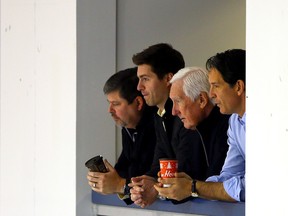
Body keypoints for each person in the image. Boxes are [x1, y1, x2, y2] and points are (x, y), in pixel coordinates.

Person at [155, 49, 246, 202]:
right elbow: (228, 177)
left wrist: (193, 187)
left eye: (216, 86)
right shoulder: (235, 122)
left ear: (238, 86)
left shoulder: (268, 122)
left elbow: (254, 186)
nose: (211, 94)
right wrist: (190, 186)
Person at [129, 43, 211, 207]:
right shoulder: (160, 116)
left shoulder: (189, 116)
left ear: (168, 78)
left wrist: (154, 187)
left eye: (145, 79)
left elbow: (186, 171)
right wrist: (143, 184)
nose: (139, 87)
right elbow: (157, 166)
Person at [87, 68, 157, 205]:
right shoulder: (128, 127)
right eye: (109, 104)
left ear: (138, 103)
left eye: (116, 104)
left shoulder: (156, 126)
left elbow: (147, 177)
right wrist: (106, 179)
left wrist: (119, 184)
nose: (110, 110)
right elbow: (123, 169)